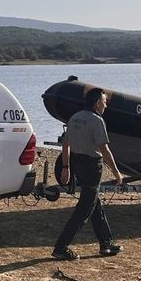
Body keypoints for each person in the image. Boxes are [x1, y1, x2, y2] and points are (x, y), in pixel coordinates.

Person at [52, 88, 124, 260]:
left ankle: (106, 243)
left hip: (78, 164)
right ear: (98, 102)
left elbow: (65, 144)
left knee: (94, 203)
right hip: (92, 167)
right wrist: (116, 173)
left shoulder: (74, 117)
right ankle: (61, 247)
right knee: (84, 209)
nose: (105, 106)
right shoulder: (97, 121)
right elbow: (105, 150)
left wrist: (66, 167)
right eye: (105, 102)